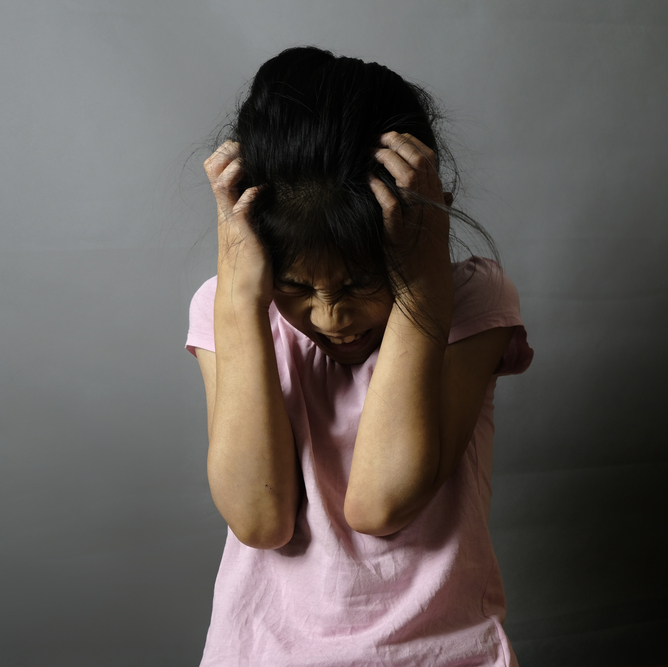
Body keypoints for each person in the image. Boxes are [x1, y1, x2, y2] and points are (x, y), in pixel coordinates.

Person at [185, 46, 532, 667]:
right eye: (296, 288)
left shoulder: (470, 298)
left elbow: (379, 504)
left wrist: (420, 287)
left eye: (358, 284)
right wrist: (240, 298)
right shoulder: (233, 306)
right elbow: (258, 518)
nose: (331, 317)